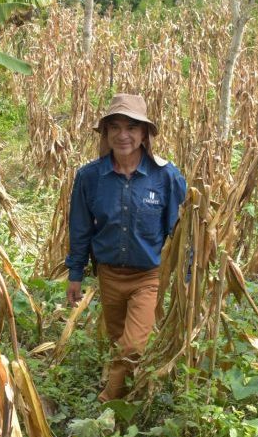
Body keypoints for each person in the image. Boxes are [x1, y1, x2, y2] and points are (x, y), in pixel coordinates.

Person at [66, 94, 187, 402]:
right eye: (115, 128)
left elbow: (180, 231)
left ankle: (108, 404)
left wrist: (186, 275)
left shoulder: (166, 176)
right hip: (108, 274)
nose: (123, 135)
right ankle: (130, 396)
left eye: (132, 127)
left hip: (148, 276)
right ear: (105, 134)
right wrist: (75, 273)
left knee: (132, 345)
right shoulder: (90, 177)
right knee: (119, 341)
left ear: (144, 134)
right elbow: (80, 228)